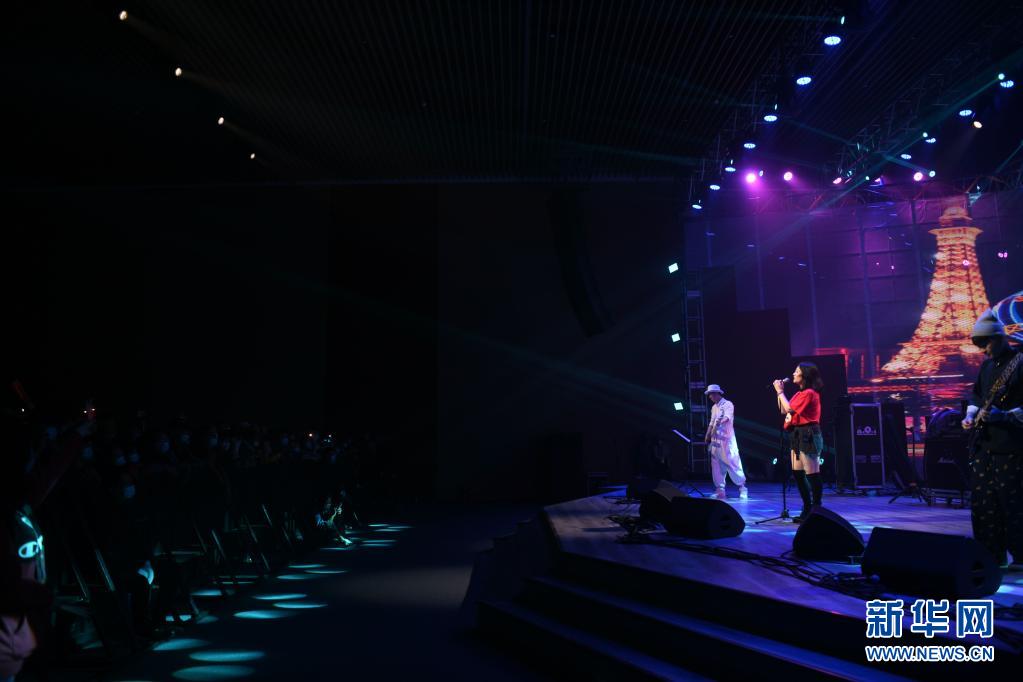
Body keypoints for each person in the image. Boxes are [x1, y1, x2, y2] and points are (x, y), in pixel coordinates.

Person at [960, 309, 1023, 570]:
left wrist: (1004, 416)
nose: (983, 351)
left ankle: (1020, 556)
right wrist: (970, 415)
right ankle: (990, 555)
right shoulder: (986, 367)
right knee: (984, 504)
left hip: (1012, 446)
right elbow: (977, 396)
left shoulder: (1020, 363)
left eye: (985, 344)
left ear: (998, 338)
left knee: (1013, 503)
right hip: (984, 446)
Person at [774, 363, 824, 521]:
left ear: (805, 375)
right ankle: (807, 508)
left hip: (808, 433)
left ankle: (816, 509)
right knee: (798, 473)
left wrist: (780, 392)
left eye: (797, 371)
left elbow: (790, 409)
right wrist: (779, 394)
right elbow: (784, 410)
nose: (793, 374)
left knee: (812, 473)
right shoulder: (798, 394)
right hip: (797, 433)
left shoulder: (809, 393)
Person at [704, 385, 748, 500]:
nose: (710, 397)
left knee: (733, 463)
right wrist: (708, 434)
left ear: (716, 393)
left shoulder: (728, 404)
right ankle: (720, 490)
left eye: (711, 394)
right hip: (716, 440)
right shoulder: (714, 407)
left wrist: (719, 422)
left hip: (727, 440)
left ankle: (742, 488)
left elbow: (727, 417)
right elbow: (712, 422)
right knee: (716, 466)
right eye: (709, 394)